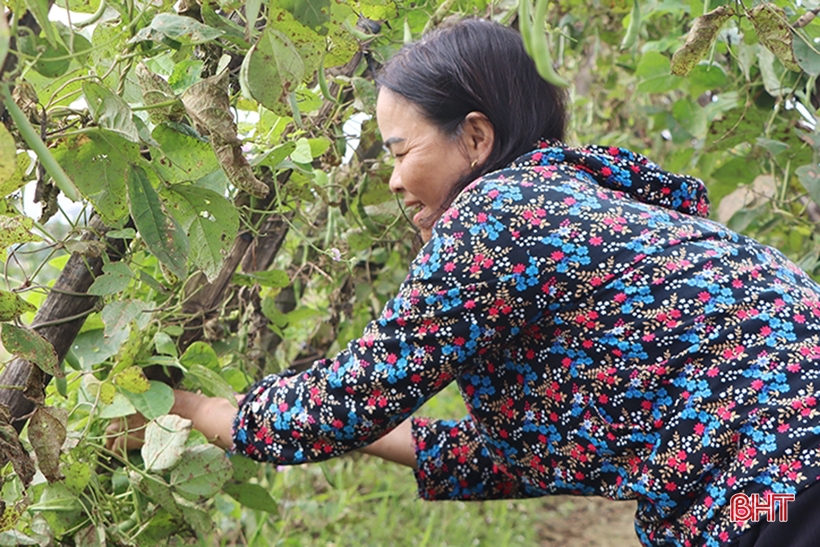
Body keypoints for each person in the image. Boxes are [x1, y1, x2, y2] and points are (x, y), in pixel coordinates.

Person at [112, 18, 820, 547]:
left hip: (772, 491)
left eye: (400, 150)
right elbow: (513, 455)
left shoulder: (497, 211)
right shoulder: (583, 210)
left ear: (475, 138)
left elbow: (348, 401)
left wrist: (192, 408)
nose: (391, 178)